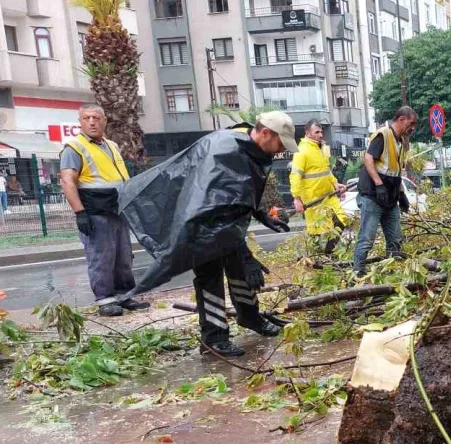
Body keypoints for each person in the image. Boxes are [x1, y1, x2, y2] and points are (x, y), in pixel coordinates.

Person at [118, 111, 296, 358]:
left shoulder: (247, 146)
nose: (279, 151)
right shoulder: (226, 150)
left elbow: (239, 196)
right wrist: (246, 256)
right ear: (265, 133)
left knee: (240, 270)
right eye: (279, 144)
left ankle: (250, 317)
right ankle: (214, 338)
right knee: (210, 274)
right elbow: (217, 208)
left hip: (224, 224)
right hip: (200, 225)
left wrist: (260, 214)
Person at [59, 104, 149, 317]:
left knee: (123, 255)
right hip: (95, 212)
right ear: (80, 122)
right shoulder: (74, 148)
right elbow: (67, 181)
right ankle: (105, 300)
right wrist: (79, 212)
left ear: (104, 121)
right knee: (101, 257)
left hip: (117, 210)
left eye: (97, 118)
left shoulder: (111, 145)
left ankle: (125, 295)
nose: (92, 122)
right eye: (87, 118)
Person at [353, 106, 417, 273]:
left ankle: (392, 274)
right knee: (366, 239)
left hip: (391, 199)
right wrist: (379, 184)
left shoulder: (401, 142)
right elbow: (368, 159)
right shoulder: (384, 134)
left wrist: (402, 194)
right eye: (411, 123)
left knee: (395, 240)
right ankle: (358, 273)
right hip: (373, 197)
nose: (413, 128)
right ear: (401, 119)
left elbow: (395, 172)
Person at [290, 120, 348, 255]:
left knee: (342, 221)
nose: (321, 135)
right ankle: (315, 259)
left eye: (321, 132)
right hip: (313, 200)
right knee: (315, 232)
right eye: (317, 132)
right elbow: (295, 175)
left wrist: (335, 183)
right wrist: (297, 198)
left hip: (328, 196)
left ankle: (328, 254)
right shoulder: (301, 151)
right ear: (307, 133)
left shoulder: (320, 149)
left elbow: (326, 171)